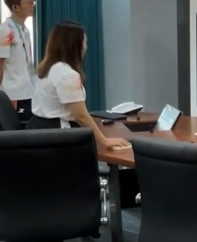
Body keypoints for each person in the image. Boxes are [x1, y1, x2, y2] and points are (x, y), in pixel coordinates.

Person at [28, 20, 128, 151]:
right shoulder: (66, 74)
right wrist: (104, 140)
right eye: (84, 42)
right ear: (74, 46)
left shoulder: (48, 69)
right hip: (58, 136)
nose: (86, 47)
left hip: (39, 131)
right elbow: (80, 115)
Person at [0, 0, 36, 122]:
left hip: (29, 90)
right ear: (15, 7)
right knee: (20, 126)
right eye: (28, 3)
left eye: (32, 2)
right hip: (14, 93)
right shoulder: (5, 31)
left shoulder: (25, 30)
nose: (32, 6)